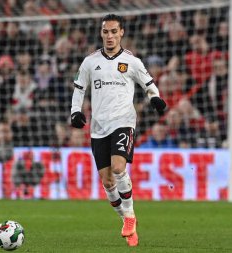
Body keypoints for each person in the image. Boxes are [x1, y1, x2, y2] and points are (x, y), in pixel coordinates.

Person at [70, 14, 166, 247]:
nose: (110, 36)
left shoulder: (132, 61)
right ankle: (125, 220)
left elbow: (149, 85)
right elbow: (79, 88)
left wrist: (156, 99)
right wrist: (75, 111)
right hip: (98, 128)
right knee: (107, 182)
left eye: (114, 31)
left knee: (118, 167)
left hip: (124, 121)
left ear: (121, 32)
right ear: (101, 33)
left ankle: (130, 215)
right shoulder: (90, 62)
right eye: (106, 32)